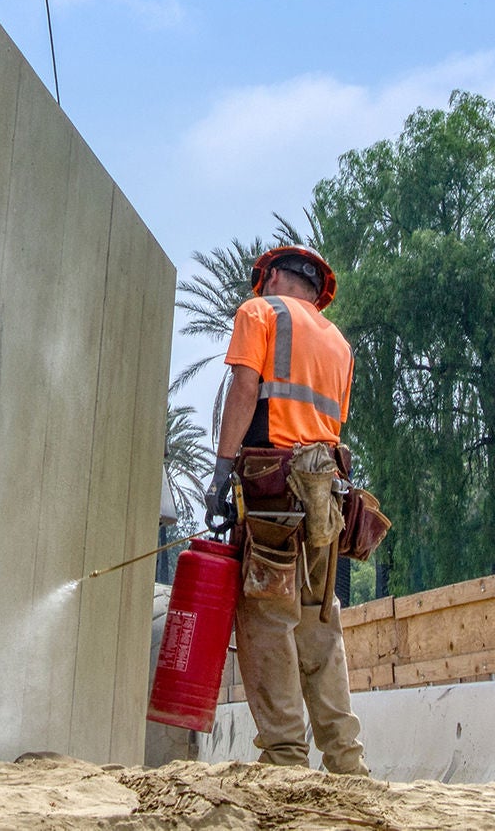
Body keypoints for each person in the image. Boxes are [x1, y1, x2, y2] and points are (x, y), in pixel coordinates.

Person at [205, 244, 369, 776]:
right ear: (317, 290)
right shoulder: (339, 343)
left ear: (272, 276)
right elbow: (326, 425)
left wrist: (222, 471)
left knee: (266, 617)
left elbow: (245, 386)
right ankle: (346, 761)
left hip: (273, 491)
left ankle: (284, 759)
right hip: (328, 495)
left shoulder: (261, 312)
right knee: (319, 621)